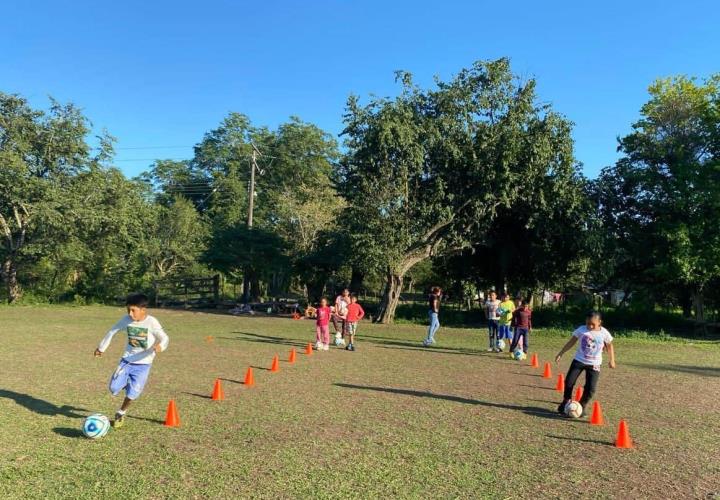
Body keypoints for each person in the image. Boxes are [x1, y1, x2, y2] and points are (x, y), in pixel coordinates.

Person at [94, 293, 169, 429]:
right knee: (113, 388)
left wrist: (160, 346)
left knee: (132, 394)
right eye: (128, 310)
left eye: (133, 310)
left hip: (144, 364)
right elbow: (112, 332)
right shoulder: (126, 320)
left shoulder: (152, 322)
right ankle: (128, 383)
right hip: (127, 361)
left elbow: (164, 338)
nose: (130, 313)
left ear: (143, 310)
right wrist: (101, 348)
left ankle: (121, 412)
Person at [554, 311, 616, 417]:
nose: (590, 326)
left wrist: (612, 360)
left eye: (593, 324)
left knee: (591, 388)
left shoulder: (604, 333)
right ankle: (565, 402)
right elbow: (571, 342)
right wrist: (561, 353)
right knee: (568, 382)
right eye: (588, 323)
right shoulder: (582, 329)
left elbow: (610, 346)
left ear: (599, 322)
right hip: (579, 361)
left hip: (594, 364)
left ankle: (581, 406)